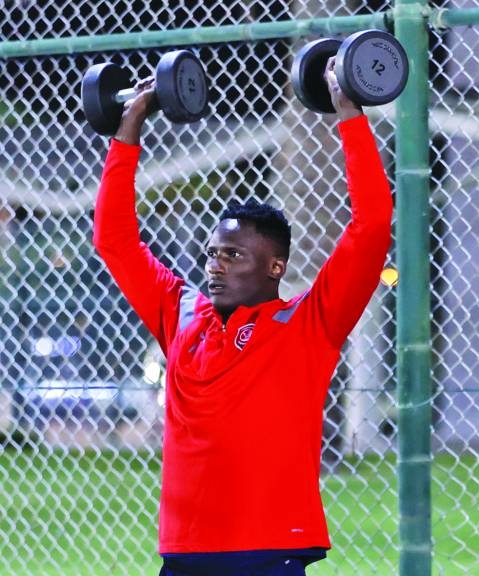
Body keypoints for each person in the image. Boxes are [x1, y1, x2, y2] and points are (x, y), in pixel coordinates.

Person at [92, 60, 393, 576]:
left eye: (234, 255)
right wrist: (130, 125)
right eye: (213, 253)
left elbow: (370, 226)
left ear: (276, 267)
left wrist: (349, 114)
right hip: (185, 551)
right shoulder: (180, 310)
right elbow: (114, 241)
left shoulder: (311, 323)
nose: (216, 264)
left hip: (269, 549)